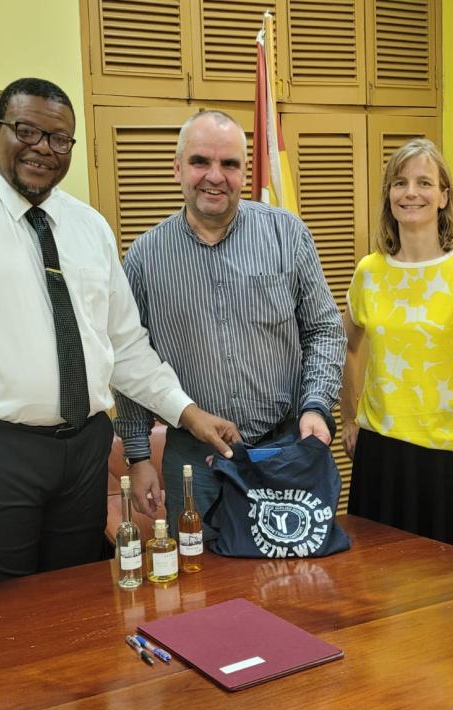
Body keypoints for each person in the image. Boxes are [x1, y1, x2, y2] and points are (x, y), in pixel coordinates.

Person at [0, 78, 239, 588]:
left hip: (83, 451)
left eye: (60, 139)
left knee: (76, 605)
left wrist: (189, 414)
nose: (43, 148)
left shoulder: (88, 227)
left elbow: (125, 348)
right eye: (27, 131)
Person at [113, 110, 346, 536]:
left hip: (286, 447)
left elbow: (325, 330)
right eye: (201, 161)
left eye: (230, 164)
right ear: (177, 167)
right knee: (206, 587)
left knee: (291, 582)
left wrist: (316, 405)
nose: (214, 176)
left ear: (244, 170)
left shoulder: (287, 235)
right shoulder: (145, 257)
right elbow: (130, 359)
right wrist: (138, 454)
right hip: (194, 462)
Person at [341, 138, 453, 559]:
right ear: (389, 195)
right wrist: (350, 417)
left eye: (424, 182)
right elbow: (346, 349)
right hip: (381, 460)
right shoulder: (370, 272)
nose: (411, 193)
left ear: (443, 196)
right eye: (400, 183)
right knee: (379, 598)